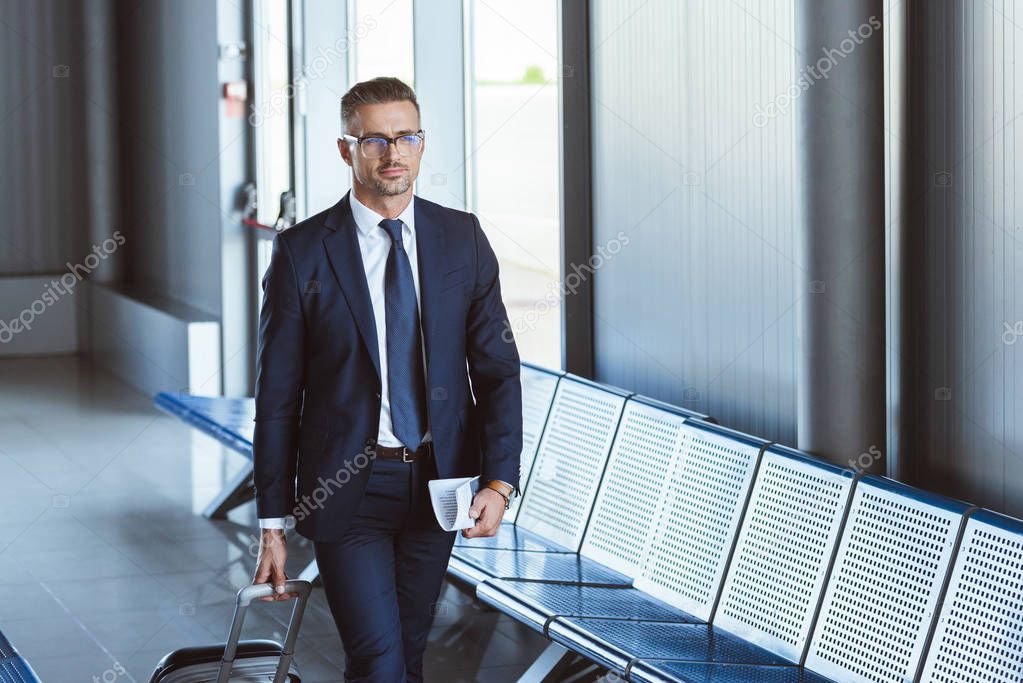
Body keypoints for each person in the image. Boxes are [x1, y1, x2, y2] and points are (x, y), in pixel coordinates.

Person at [249, 76, 523, 682]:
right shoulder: (302, 251)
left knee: (409, 655)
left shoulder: (462, 238)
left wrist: (499, 482)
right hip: (348, 489)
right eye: (375, 140)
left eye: (407, 137)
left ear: (422, 144)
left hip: (438, 486)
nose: (393, 153)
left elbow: (499, 372)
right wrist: (271, 524)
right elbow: (276, 398)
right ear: (346, 149)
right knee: (378, 659)